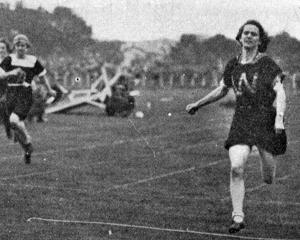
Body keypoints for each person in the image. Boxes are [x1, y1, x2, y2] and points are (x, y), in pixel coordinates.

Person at [186, 20, 287, 234]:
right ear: (240, 37)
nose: (249, 36)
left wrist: (278, 119)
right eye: (246, 33)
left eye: (254, 34)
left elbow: (281, 92)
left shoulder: (267, 63)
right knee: (236, 168)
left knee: (268, 178)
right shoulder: (233, 64)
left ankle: (263, 152)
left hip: (266, 122)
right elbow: (222, 89)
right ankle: (238, 216)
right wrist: (198, 104)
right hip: (241, 122)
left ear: (260, 40)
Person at [0, 34, 56, 164]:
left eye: (23, 46)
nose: (20, 48)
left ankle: (28, 141)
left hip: (24, 93)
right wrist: (11, 73)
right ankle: (26, 149)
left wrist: (49, 90)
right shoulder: (9, 59)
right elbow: (1, 75)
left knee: (14, 121)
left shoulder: (32, 61)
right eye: (18, 45)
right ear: (14, 47)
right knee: (16, 126)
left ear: (27, 47)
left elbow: (42, 77)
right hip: (10, 93)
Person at [0, 38, 12, 139]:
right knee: (3, 111)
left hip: (9, 87)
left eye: (3, 48)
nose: (1, 50)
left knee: (6, 108)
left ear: (7, 49)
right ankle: (8, 128)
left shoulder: (10, 60)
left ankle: (10, 129)